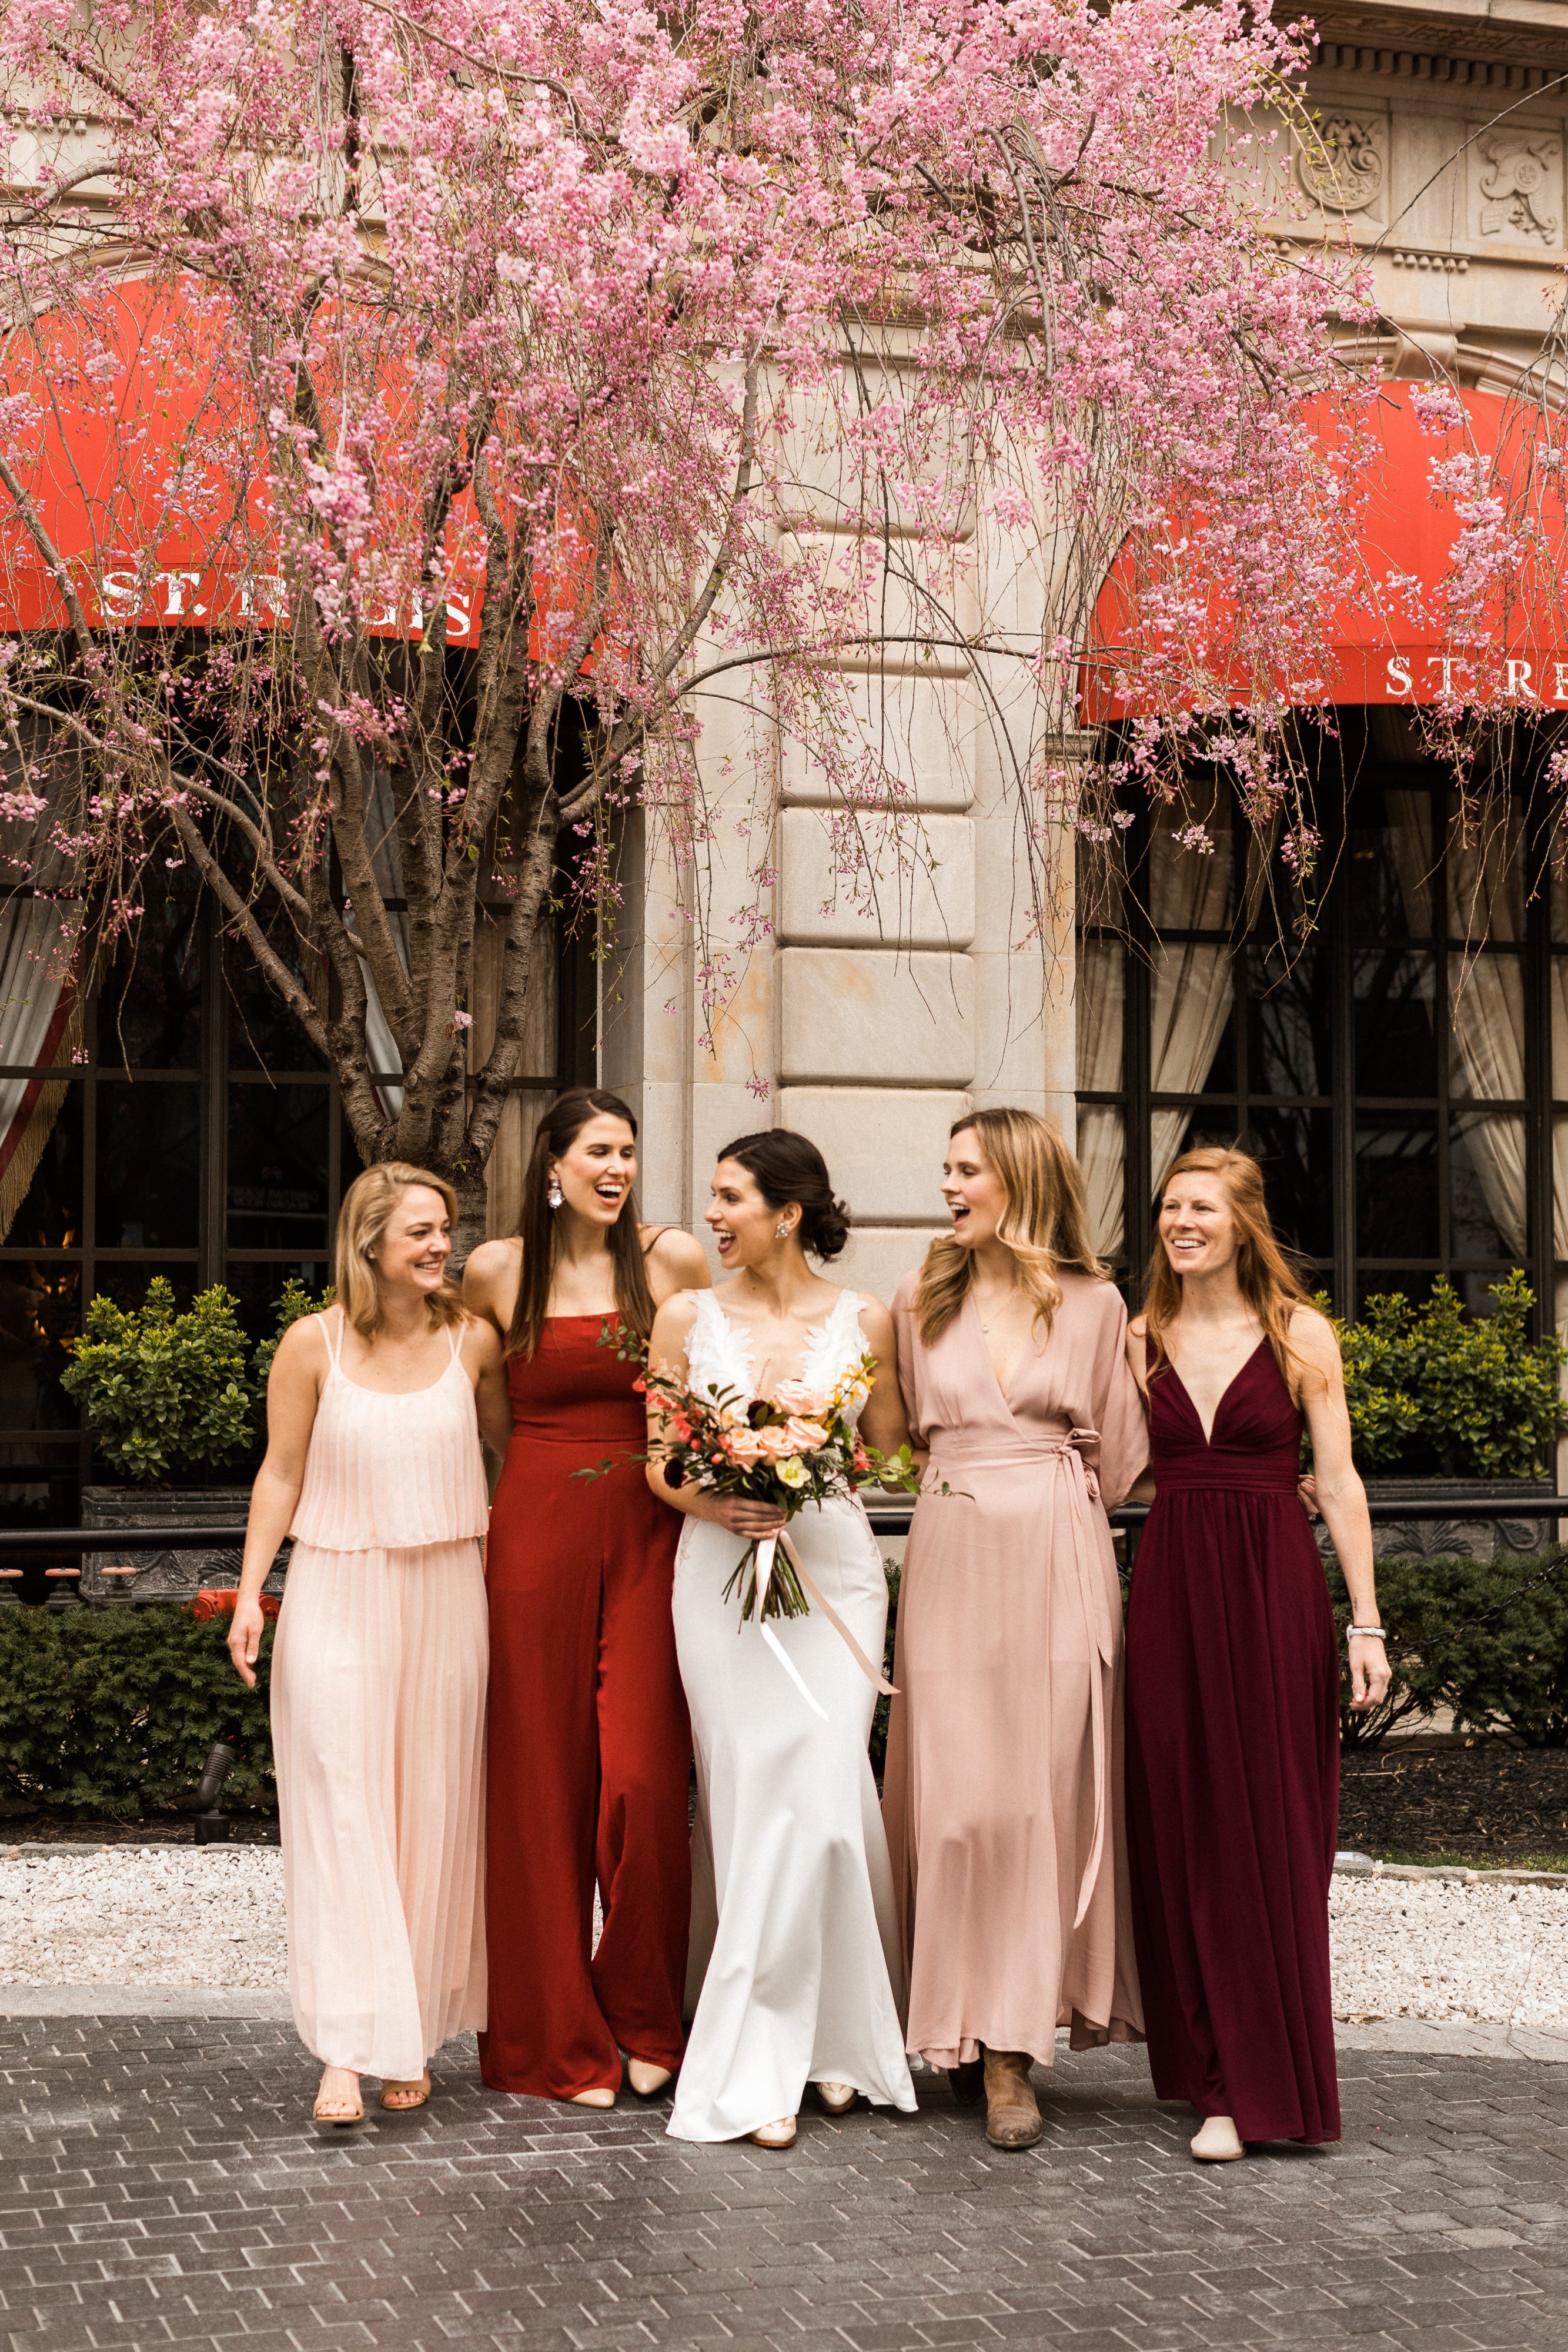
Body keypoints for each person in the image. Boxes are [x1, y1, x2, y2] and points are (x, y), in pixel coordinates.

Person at [882, 1108, 1149, 2151]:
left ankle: (1007, 2054)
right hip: (951, 1552)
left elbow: (1122, 1463)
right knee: (956, 1804)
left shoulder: (1095, 1303)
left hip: (1055, 1553)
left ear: (1020, 1182)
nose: (948, 1186)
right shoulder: (918, 1298)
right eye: (944, 1168)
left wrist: (1060, 1457)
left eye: (967, 1171)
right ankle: (947, 2020)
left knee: (1038, 1796)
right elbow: (901, 1435)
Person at [647, 1130, 918, 2148]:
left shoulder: (866, 1319)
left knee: (831, 1803)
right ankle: (766, 2057)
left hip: (836, 1574)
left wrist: (808, 1454)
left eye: (729, 1198)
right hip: (719, 1579)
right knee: (755, 1803)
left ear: (787, 1211)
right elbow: (660, 1467)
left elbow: (885, 1449)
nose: (712, 1216)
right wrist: (722, 1498)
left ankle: (841, 2040)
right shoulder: (685, 1317)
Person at [228, 1164, 510, 2126]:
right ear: (369, 1244)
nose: (442, 1246)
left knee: (429, 1810)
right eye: (422, 1232)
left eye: (447, 1230)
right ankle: (347, 2049)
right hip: (336, 1590)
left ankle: (412, 2026)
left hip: (447, 1594)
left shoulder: (474, 1342)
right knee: (344, 1803)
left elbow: (518, 1458)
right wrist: (252, 1591)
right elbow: (280, 1472)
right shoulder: (313, 1345)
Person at [1124, 1145, 1390, 2161]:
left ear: (1243, 1222)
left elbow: (1342, 1482)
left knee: (1268, 1825)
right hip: (1172, 1590)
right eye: (1169, 1208)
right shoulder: (1139, 1335)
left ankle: (1258, 2082)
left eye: (1201, 1208)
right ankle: (1209, 2071)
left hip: (1273, 1588)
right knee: (1184, 1820)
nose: (1180, 1222)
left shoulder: (1299, 1333)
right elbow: (1111, 1464)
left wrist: (1365, 1623)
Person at [464, 1087, 709, 2107]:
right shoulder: (495, 1270)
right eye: (599, 1151)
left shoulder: (672, 1261)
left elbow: (699, 1403)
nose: (618, 1168)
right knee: (539, 1786)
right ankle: (554, 2040)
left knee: (645, 1783)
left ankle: (645, 2015)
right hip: (534, 1531)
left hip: (651, 1528)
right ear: (553, 1163)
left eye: (629, 1153)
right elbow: (492, 1420)